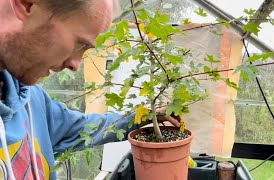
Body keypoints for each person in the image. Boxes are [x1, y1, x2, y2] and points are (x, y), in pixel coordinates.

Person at [0, 0, 181, 179]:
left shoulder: (32, 101)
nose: (75, 65)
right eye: (80, 44)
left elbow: (82, 128)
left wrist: (143, 117)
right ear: (27, 5)